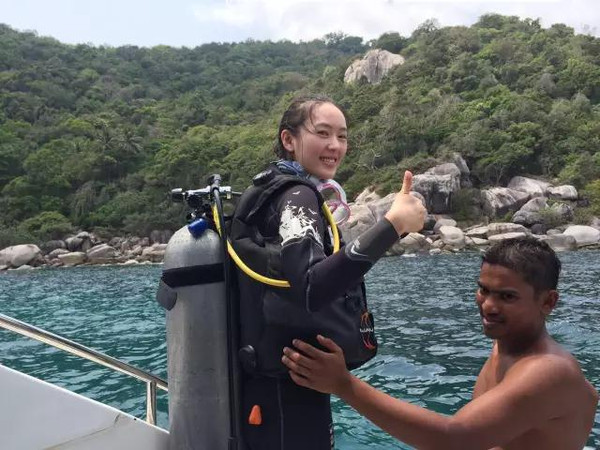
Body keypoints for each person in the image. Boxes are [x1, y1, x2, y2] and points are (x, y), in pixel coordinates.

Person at [229, 94, 427, 450]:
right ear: (289, 139)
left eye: (342, 136)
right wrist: (393, 225)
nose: (335, 145)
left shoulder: (272, 190)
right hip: (286, 392)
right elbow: (311, 287)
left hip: (273, 386)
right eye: (322, 133)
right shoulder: (297, 197)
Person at [282, 236, 599, 450]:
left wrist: (344, 385)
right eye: (484, 290)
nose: (488, 305)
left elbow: (454, 439)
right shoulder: (506, 345)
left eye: (507, 296)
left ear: (548, 302)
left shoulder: (549, 371)